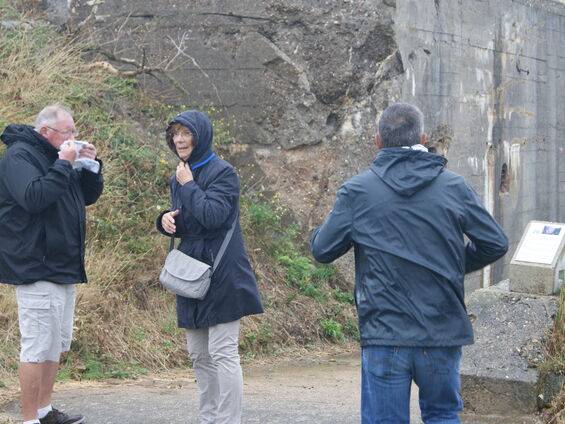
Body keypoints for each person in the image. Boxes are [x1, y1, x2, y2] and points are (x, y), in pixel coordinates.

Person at [310, 103, 508, 424]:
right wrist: (454, 265)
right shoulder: (454, 186)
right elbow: (495, 242)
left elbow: (323, 250)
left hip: (385, 333)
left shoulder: (357, 191)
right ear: (424, 138)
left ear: (378, 141)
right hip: (442, 329)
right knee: (443, 415)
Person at [156, 109, 263, 424]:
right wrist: (164, 220)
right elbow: (187, 218)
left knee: (222, 354)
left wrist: (188, 186)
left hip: (222, 272)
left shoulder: (223, 172)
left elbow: (215, 217)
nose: (179, 140)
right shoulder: (181, 173)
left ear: (199, 136)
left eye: (185, 133)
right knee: (199, 356)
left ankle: (228, 421)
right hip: (190, 273)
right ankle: (208, 419)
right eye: (175, 134)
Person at [0, 105, 104, 424]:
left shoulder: (60, 155)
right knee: (36, 346)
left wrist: (90, 166)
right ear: (45, 132)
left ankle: (45, 411)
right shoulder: (19, 156)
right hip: (34, 264)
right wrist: (64, 164)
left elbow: (85, 197)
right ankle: (30, 418)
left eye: (73, 131)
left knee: (56, 343)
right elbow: (34, 197)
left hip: (63, 264)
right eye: (67, 132)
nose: (72, 137)